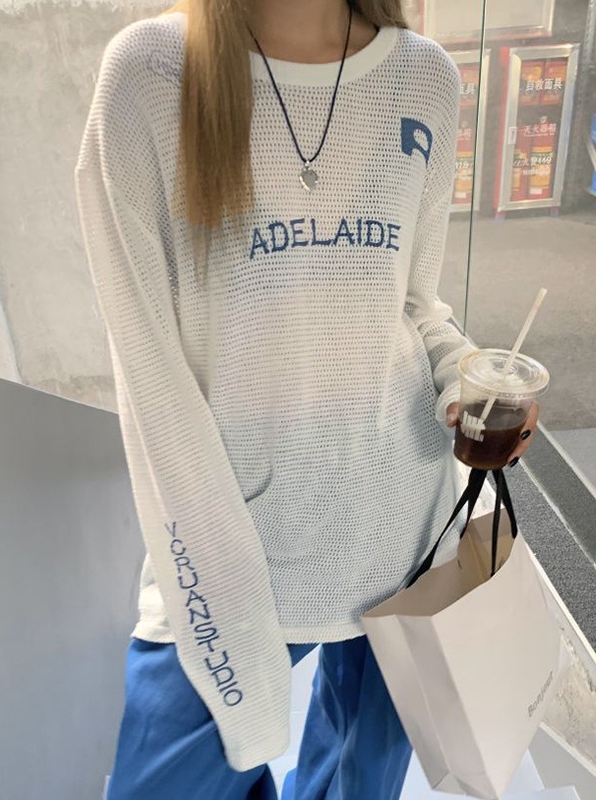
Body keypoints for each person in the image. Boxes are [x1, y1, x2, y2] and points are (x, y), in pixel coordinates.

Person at [74, 1, 539, 798]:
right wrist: (211, 561)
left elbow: (416, 305)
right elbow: (148, 367)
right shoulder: (150, 74)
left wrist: (463, 374)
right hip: (233, 548)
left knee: (359, 781)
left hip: (402, 533)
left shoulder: (424, 77)